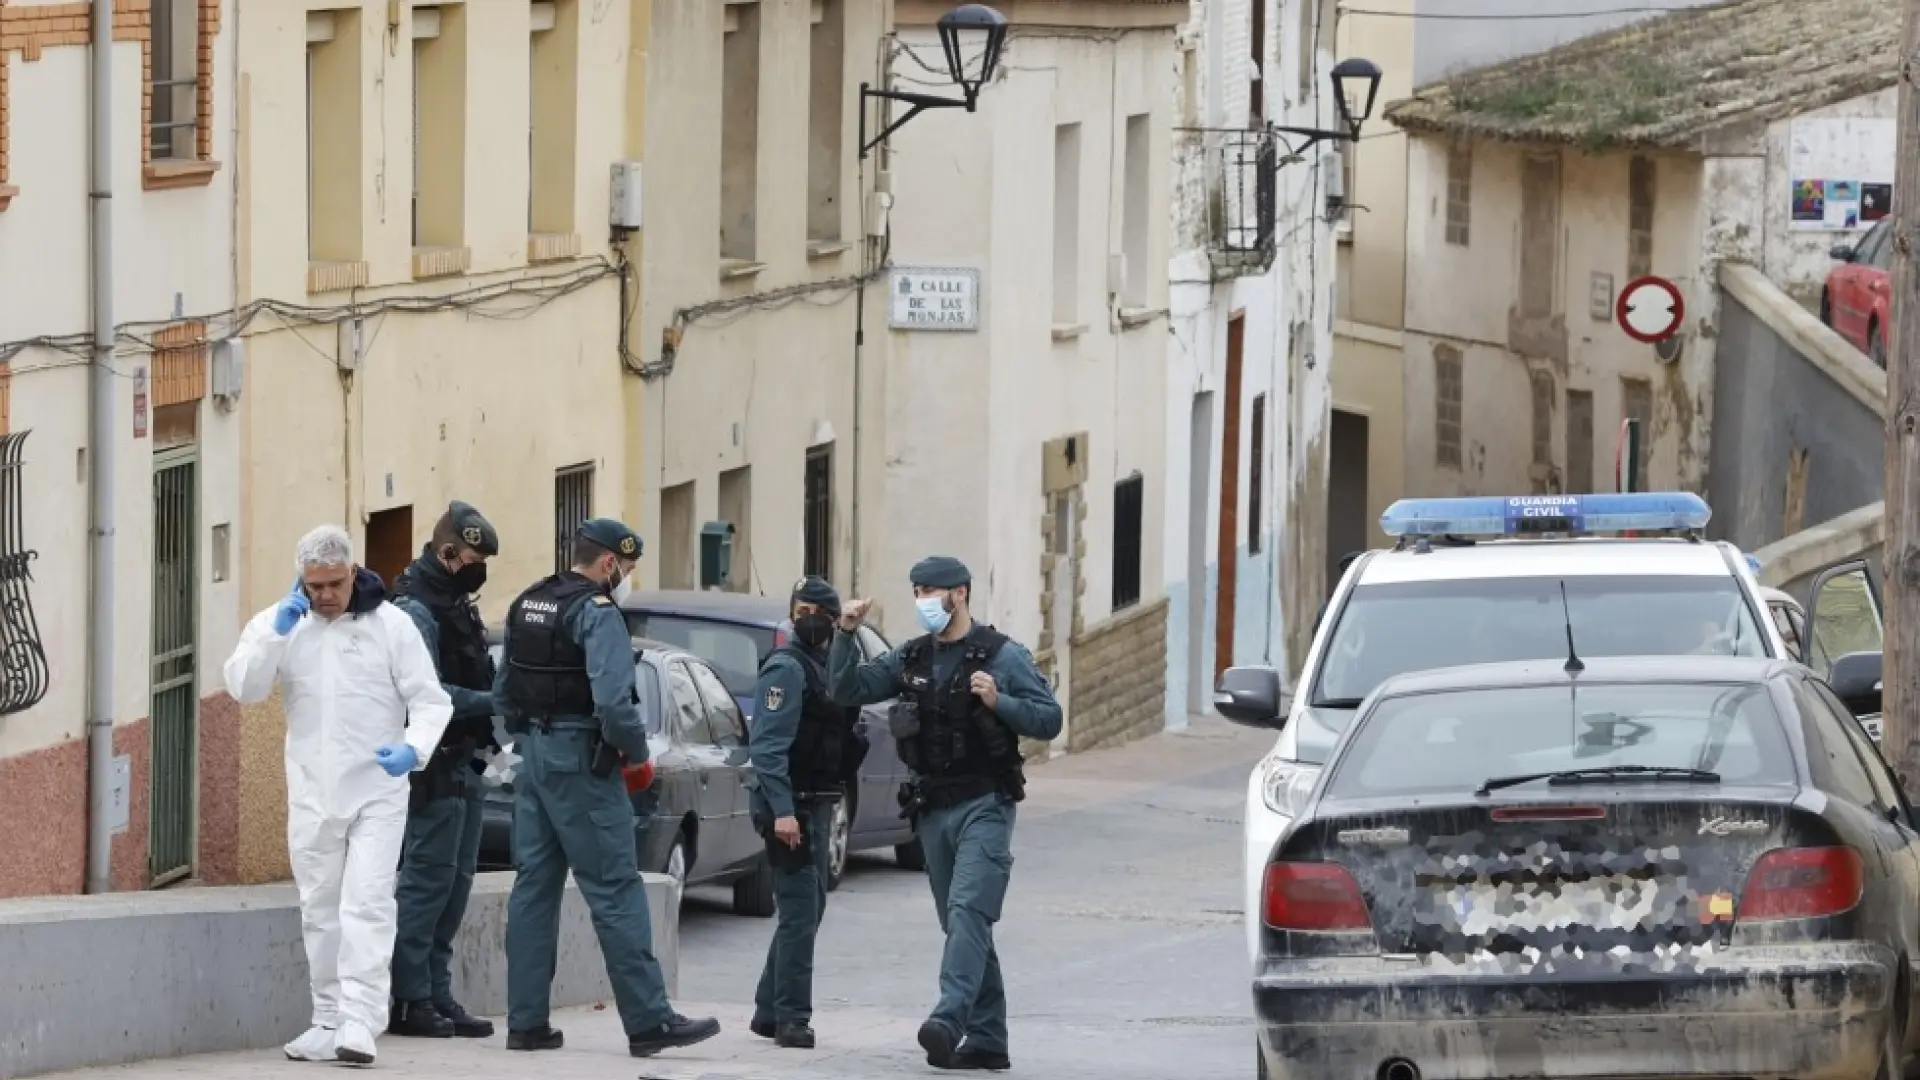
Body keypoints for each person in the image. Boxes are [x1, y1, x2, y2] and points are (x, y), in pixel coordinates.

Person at [222, 525, 453, 1066]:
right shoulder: (284, 624)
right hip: (311, 793)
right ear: (300, 580)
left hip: (377, 791)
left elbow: (430, 700)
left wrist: (413, 750)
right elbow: (244, 687)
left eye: (333, 583)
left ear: (353, 573)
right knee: (319, 910)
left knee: (367, 906)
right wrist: (273, 635)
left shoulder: (391, 626)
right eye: (313, 585)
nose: (324, 595)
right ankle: (326, 1018)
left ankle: (360, 1021)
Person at [493, 517, 721, 1058]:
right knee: (616, 889)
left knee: (533, 889)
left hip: (534, 762)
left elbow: (503, 691)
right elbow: (615, 703)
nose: (625, 579)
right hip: (583, 765)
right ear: (609, 563)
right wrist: (637, 757)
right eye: (627, 569)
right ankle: (649, 1022)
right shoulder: (596, 614)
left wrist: (531, 740)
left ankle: (526, 1023)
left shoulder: (528, 602)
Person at [828, 556, 1062, 1071]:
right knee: (961, 924)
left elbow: (1049, 719)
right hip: (932, 808)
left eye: (932, 591)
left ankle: (950, 1018)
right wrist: (846, 634)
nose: (924, 601)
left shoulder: (1001, 655)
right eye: (917, 591)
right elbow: (847, 689)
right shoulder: (910, 658)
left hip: (986, 803)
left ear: (960, 594)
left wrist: (1001, 702)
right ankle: (988, 1039)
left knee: (968, 912)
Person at [387, 501, 502, 1039]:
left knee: (455, 887)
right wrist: (496, 700)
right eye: (474, 557)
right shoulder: (415, 607)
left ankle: (437, 991)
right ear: (449, 551)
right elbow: (428, 696)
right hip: (431, 769)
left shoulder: (454, 598)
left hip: (466, 765)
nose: (479, 569)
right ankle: (410, 999)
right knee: (426, 887)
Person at [748, 575, 862, 1050]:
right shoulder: (787, 668)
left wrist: (852, 634)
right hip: (789, 806)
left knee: (808, 909)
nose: (809, 622)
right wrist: (781, 812)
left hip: (817, 802)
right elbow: (768, 749)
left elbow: (852, 689)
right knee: (799, 913)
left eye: (821, 614)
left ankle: (768, 1009)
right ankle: (792, 1018)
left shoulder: (826, 663)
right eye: (801, 613)